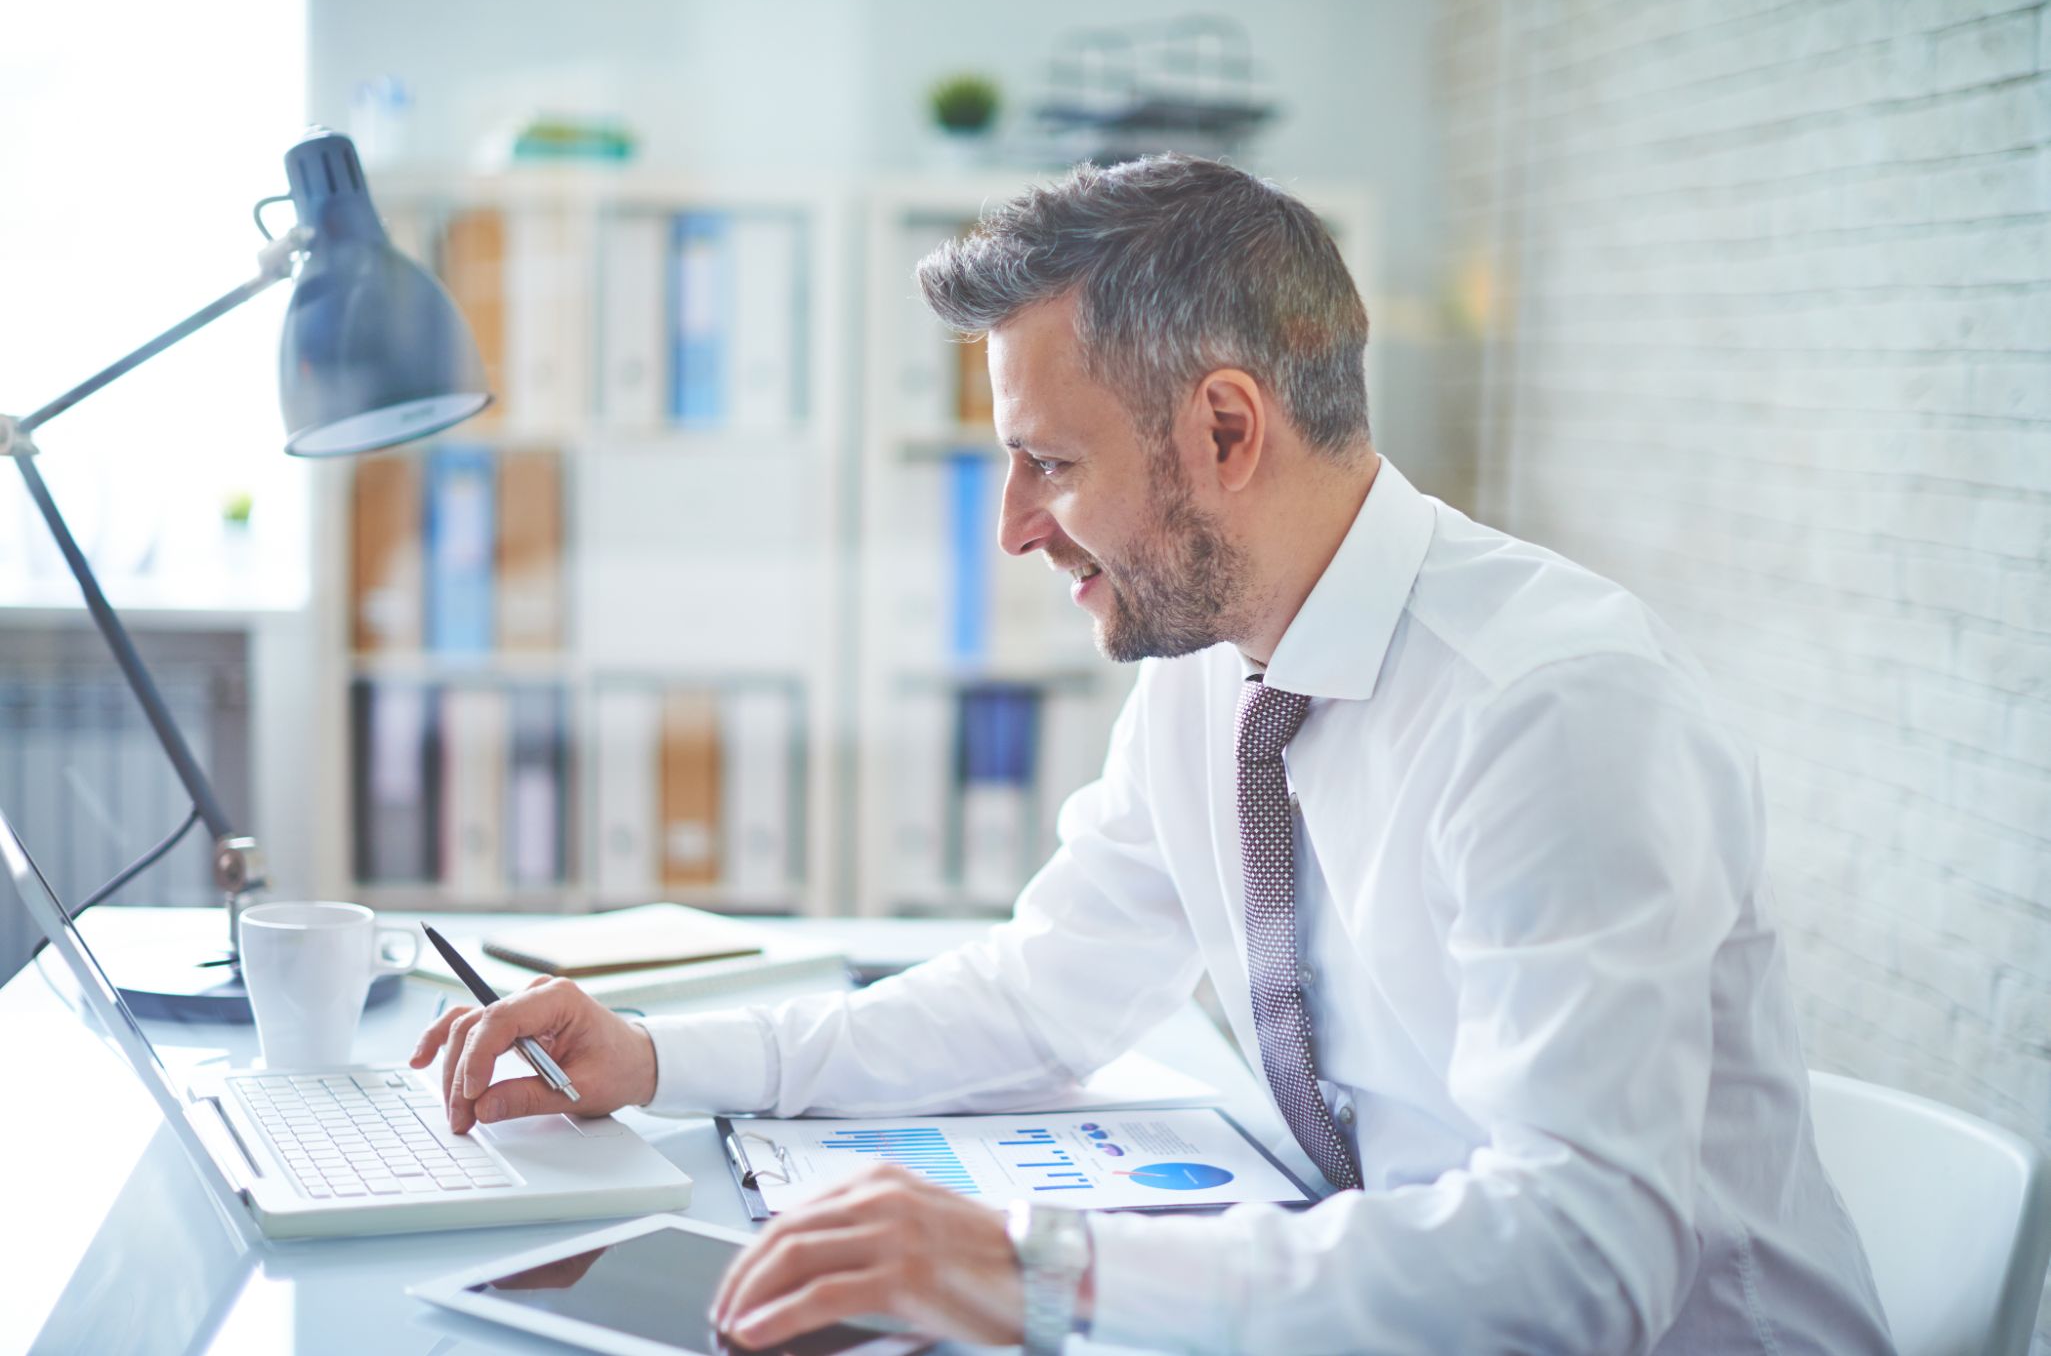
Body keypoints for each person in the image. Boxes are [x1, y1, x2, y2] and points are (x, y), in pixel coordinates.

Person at [412, 155, 1894, 1355]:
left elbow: (1581, 1269)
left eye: (1051, 463)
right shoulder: (1215, 673)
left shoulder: (1555, 710)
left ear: (1227, 427)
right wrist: (662, 1060)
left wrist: (1035, 1271)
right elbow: (1042, 991)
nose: (1011, 527)